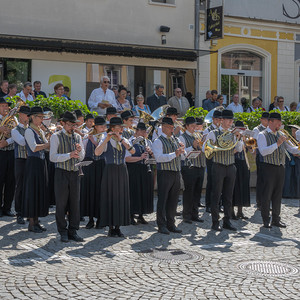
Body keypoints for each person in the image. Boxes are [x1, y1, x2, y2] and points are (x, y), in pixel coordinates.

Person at [257, 112, 300, 228]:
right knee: (267, 194)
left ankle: (276, 218)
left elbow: (291, 149)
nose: (280, 125)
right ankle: (266, 219)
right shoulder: (262, 134)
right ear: (271, 122)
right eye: (278, 122)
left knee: (277, 194)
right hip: (268, 167)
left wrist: (298, 148)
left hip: (280, 167)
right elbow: (263, 151)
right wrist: (277, 143)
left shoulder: (281, 134)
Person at [203, 109, 243, 231]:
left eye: (232, 120)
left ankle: (227, 220)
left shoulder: (233, 133)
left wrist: (238, 137)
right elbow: (205, 148)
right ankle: (215, 222)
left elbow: (240, 149)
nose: (231, 122)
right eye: (229, 120)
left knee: (228, 196)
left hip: (231, 166)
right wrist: (216, 148)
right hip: (218, 166)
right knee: (216, 195)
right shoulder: (213, 133)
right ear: (222, 121)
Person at [95, 117, 135, 237]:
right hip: (110, 170)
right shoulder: (105, 138)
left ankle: (118, 226)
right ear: (112, 128)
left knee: (120, 198)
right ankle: (111, 227)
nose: (121, 129)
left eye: (121, 127)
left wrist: (121, 139)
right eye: (118, 128)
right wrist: (106, 139)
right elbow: (97, 153)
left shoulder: (124, 139)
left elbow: (132, 151)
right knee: (110, 197)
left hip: (122, 169)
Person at [50, 111, 85, 242]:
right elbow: (52, 157)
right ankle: (62, 231)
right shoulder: (56, 136)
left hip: (75, 173)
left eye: (74, 125)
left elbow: (82, 156)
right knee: (61, 204)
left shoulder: (78, 137)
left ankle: (73, 230)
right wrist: (69, 155)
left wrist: (79, 152)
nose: (72, 128)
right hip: (61, 173)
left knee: (75, 203)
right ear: (63, 123)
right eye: (70, 125)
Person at [152, 117, 185, 234]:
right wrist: (175, 154)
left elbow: (182, 156)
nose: (172, 130)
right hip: (165, 172)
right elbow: (159, 158)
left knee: (173, 200)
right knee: (163, 199)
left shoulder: (175, 140)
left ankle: (171, 223)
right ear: (164, 127)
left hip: (176, 172)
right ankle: (161, 224)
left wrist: (182, 151)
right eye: (170, 127)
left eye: (173, 127)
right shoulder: (158, 141)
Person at [22, 106, 50, 233]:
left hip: (41, 162)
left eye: (42, 117)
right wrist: (47, 144)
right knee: (33, 192)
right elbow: (33, 148)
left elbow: (46, 147)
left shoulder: (40, 131)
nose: (42, 119)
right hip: (33, 163)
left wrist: (51, 138)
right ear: (32, 117)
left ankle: (37, 221)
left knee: (40, 191)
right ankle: (32, 223)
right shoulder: (29, 131)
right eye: (40, 117)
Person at [125, 122, 154, 225]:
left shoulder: (147, 142)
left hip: (145, 169)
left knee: (144, 192)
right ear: (136, 131)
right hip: (134, 169)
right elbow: (127, 159)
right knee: (134, 192)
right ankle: (131, 215)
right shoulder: (130, 142)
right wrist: (140, 158)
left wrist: (150, 153)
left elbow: (154, 156)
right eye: (142, 131)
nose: (144, 134)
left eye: (145, 132)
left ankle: (141, 215)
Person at [81, 116, 107, 229]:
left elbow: (102, 149)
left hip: (101, 166)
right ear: (95, 127)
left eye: (104, 126)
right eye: (101, 126)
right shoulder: (88, 136)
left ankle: (101, 218)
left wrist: (93, 140)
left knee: (100, 192)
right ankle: (90, 219)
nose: (103, 128)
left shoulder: (105, 136)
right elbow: (83, 150)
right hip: (90, 167)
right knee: (90, 192)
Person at [179, 117, 205, 224]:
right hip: (188, 167)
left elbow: (204, 150)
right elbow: (182, 154)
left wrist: (202, 145)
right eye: (192, 126)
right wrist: (193, 147)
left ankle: (195, 214)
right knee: (189, 191)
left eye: (195, 126)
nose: (194, 128)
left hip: (200, 166)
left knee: (197, 192)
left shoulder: (198, 135)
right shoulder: (182, 137)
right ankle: (186, 215)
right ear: (186, 127)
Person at [11, 106, 31, 224]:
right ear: (20, 115)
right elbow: (23, 142)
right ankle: (19, 212)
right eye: (26, 115)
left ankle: (29, 211)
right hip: (20, 160)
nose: (28, 117)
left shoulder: (31, 129)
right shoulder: (15, 130)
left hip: (31, 160)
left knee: (30, 186)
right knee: (20, 186)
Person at [203, 110, 222, 213]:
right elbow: (205, 145)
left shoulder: (223, 130)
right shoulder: (208, 130)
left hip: (220, 158)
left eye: (220, 119)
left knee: (220, 182)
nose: (219, 121)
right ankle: (208, 204)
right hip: (211, 158)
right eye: (218, 119)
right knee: (211, 181)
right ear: (213, 119)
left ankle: (218, 204)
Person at [0, 97, 16, 217]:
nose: (5, 108)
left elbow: (17, 133)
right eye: (3, 106)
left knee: (11, 180)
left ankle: (7, 207)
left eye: (6, 106)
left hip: (10, 152)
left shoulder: (13, 119)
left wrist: (8, 140)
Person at [232, 121, 250, 220]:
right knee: (233, 188)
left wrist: (247, 144)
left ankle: (240, 211)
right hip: (235, 162)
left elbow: (251, 150)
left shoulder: (244, 138)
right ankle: (231, 212)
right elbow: (233, 151)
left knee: (243, 187)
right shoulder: (232, 138)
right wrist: (238, 140)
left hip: (244, 163)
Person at [252, 112, 269, 210]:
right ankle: (259, 202)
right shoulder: (257, 129)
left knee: (268, 181)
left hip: (269, 157)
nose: (267, 122)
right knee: (261, 180)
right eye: (266, 120)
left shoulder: (269, 129)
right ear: (261, 120)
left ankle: (266, 201)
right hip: (260, 157)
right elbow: (253, 143)